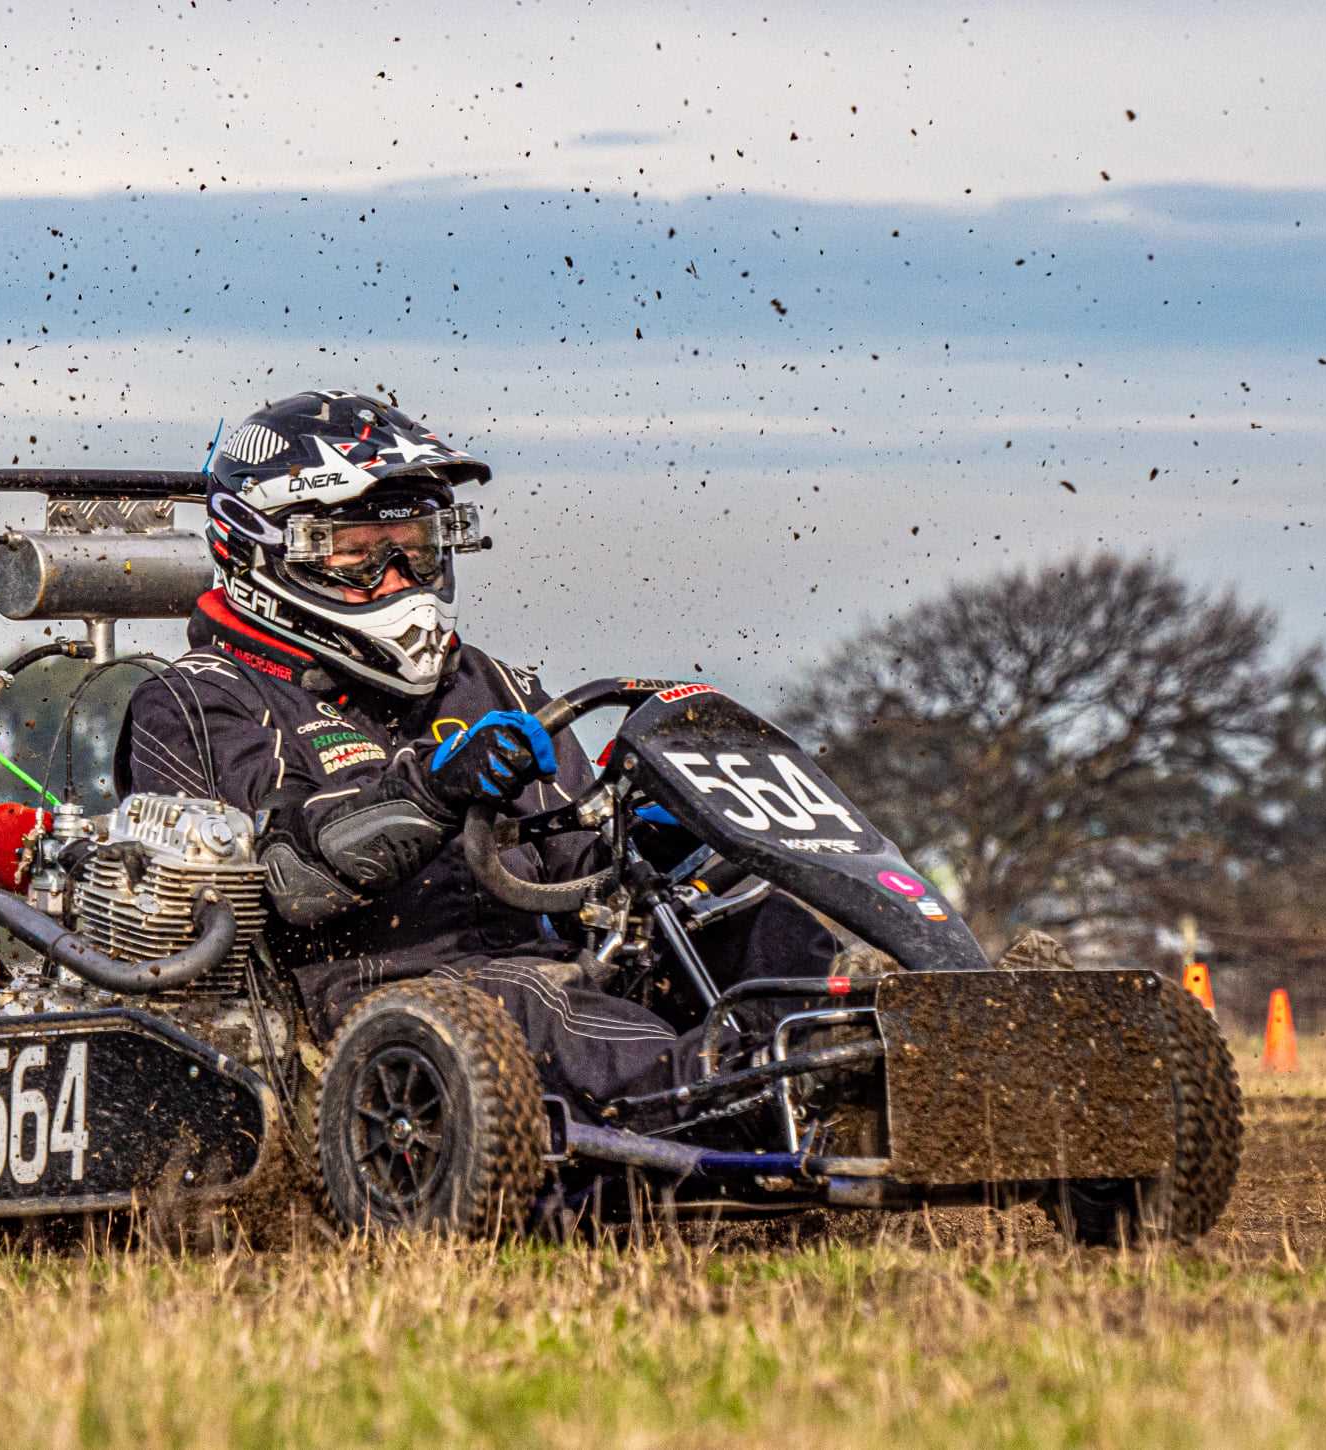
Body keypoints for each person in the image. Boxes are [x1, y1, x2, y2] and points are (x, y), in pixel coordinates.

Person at [121, 389, 833, 1106]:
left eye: (416, 549)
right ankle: (731, 1099)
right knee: (528, 1001)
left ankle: (829, 1068)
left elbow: (578, 872)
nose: (396, 579)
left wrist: (651, 836)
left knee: (764, 921)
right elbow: (286, 881)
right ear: (261, 550)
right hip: (359, 1005)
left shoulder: (489, 683)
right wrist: (429, 792)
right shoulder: (195, 700)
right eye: (357, 554)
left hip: (546, 974)